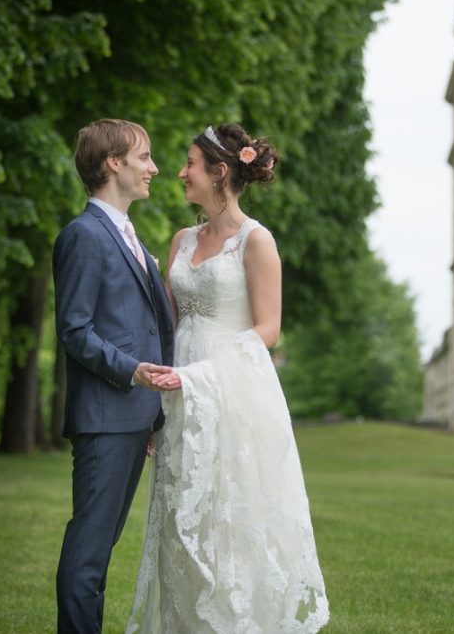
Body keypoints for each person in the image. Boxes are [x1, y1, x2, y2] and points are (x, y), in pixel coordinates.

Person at [127, 124, 329, 633]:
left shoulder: (256, 241)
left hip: (229, 390)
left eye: (189, 164)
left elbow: (269, 329)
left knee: (226, 521)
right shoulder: (181, 239)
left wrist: (203, 376)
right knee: (178, 518)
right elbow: (165, 323)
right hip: (177, 393)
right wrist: (158, 398)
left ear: (219, 172)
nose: (180, 173)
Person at [54, 118, 179, 634]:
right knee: (89, 550)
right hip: (105, 416)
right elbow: (75, 330)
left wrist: (153, 410)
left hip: (133, 417)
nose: (153, 168)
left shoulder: (128, 235)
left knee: (101, 546)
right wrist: (134, 374)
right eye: (143, 157)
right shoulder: (83, 235)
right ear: (113, 163)